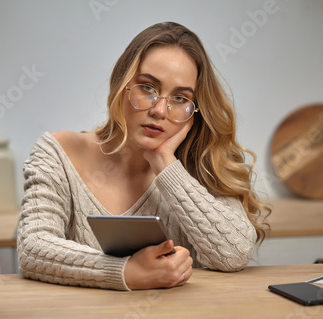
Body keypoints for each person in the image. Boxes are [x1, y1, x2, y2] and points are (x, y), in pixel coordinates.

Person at [17, 21, 269, 291]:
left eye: (180, 99)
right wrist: (125, 271)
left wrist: (165, 164)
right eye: (148, 87)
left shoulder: (199, 162)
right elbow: (33, 249)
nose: (160, 110)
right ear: (121, 84)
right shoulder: (58, 151)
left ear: (194, 110)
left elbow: (235, 254)